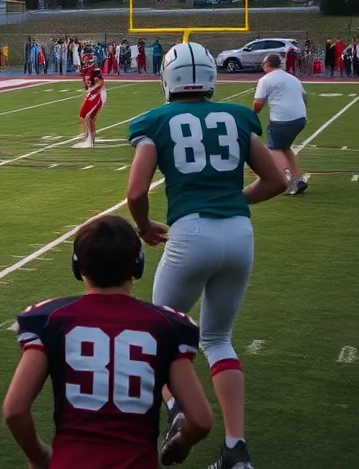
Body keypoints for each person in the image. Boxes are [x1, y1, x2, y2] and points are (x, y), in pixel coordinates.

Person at [125, 42, 287, 469]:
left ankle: (178, 408)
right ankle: (236, 448)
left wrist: (143, 227)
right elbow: (276, 181)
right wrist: (233, 200)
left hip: (189, 234)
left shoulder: (156, 120)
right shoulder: (237, 117)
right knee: (217, 339)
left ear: (168, 79)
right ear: (211, 78)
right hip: (239, 234)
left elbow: (136, 192)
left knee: (159, 335)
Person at [4, 215, 213, 469]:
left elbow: (15, 411)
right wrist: (181, 442)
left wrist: (38, 456)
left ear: (77, 267)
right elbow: (201, 421)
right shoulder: (167, 325)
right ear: (138, 265)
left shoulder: (50, 319)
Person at [253, 53, 308, 194]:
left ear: (267, 65)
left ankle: (291, 181)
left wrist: (252, 115)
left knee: (274, 149)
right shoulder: (292, 78)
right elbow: (304, 97)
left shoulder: (265, 80)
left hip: (282, 119)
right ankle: (298, 178)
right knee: (285, 147)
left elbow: (258, 102)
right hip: (300, 118)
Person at [73, 52, 105, 149]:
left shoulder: (95, 70)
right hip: (92, 93)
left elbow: (100, 83)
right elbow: (86, 85)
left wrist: (94, 93)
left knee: (89, 117)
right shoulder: (85, 71)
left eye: (86, 63)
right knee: (87, 116)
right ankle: (89, 138)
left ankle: (90, 140)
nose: (85, 65)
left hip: (98, 93)